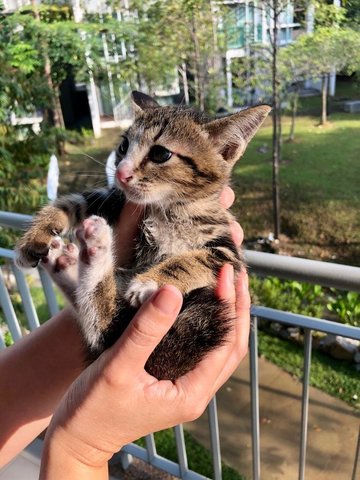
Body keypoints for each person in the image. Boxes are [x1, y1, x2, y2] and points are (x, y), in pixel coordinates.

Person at [0, 187, 250, 479]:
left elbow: (220, 262)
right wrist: (83, 448)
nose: (123, 170)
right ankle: (94, 289)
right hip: (166, 314)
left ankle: (94, 290)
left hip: (168, 313)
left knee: (123, 337)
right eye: (124, 147)